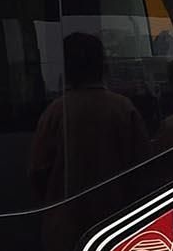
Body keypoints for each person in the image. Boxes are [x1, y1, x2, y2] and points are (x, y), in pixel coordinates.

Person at [31, 30, 153, 202]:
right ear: (102, 66)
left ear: (66, 68)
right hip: (117, 210)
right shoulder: (123, 108)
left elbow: (38, 169)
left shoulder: (55, 112)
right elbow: (143, 164)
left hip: (66, 213)